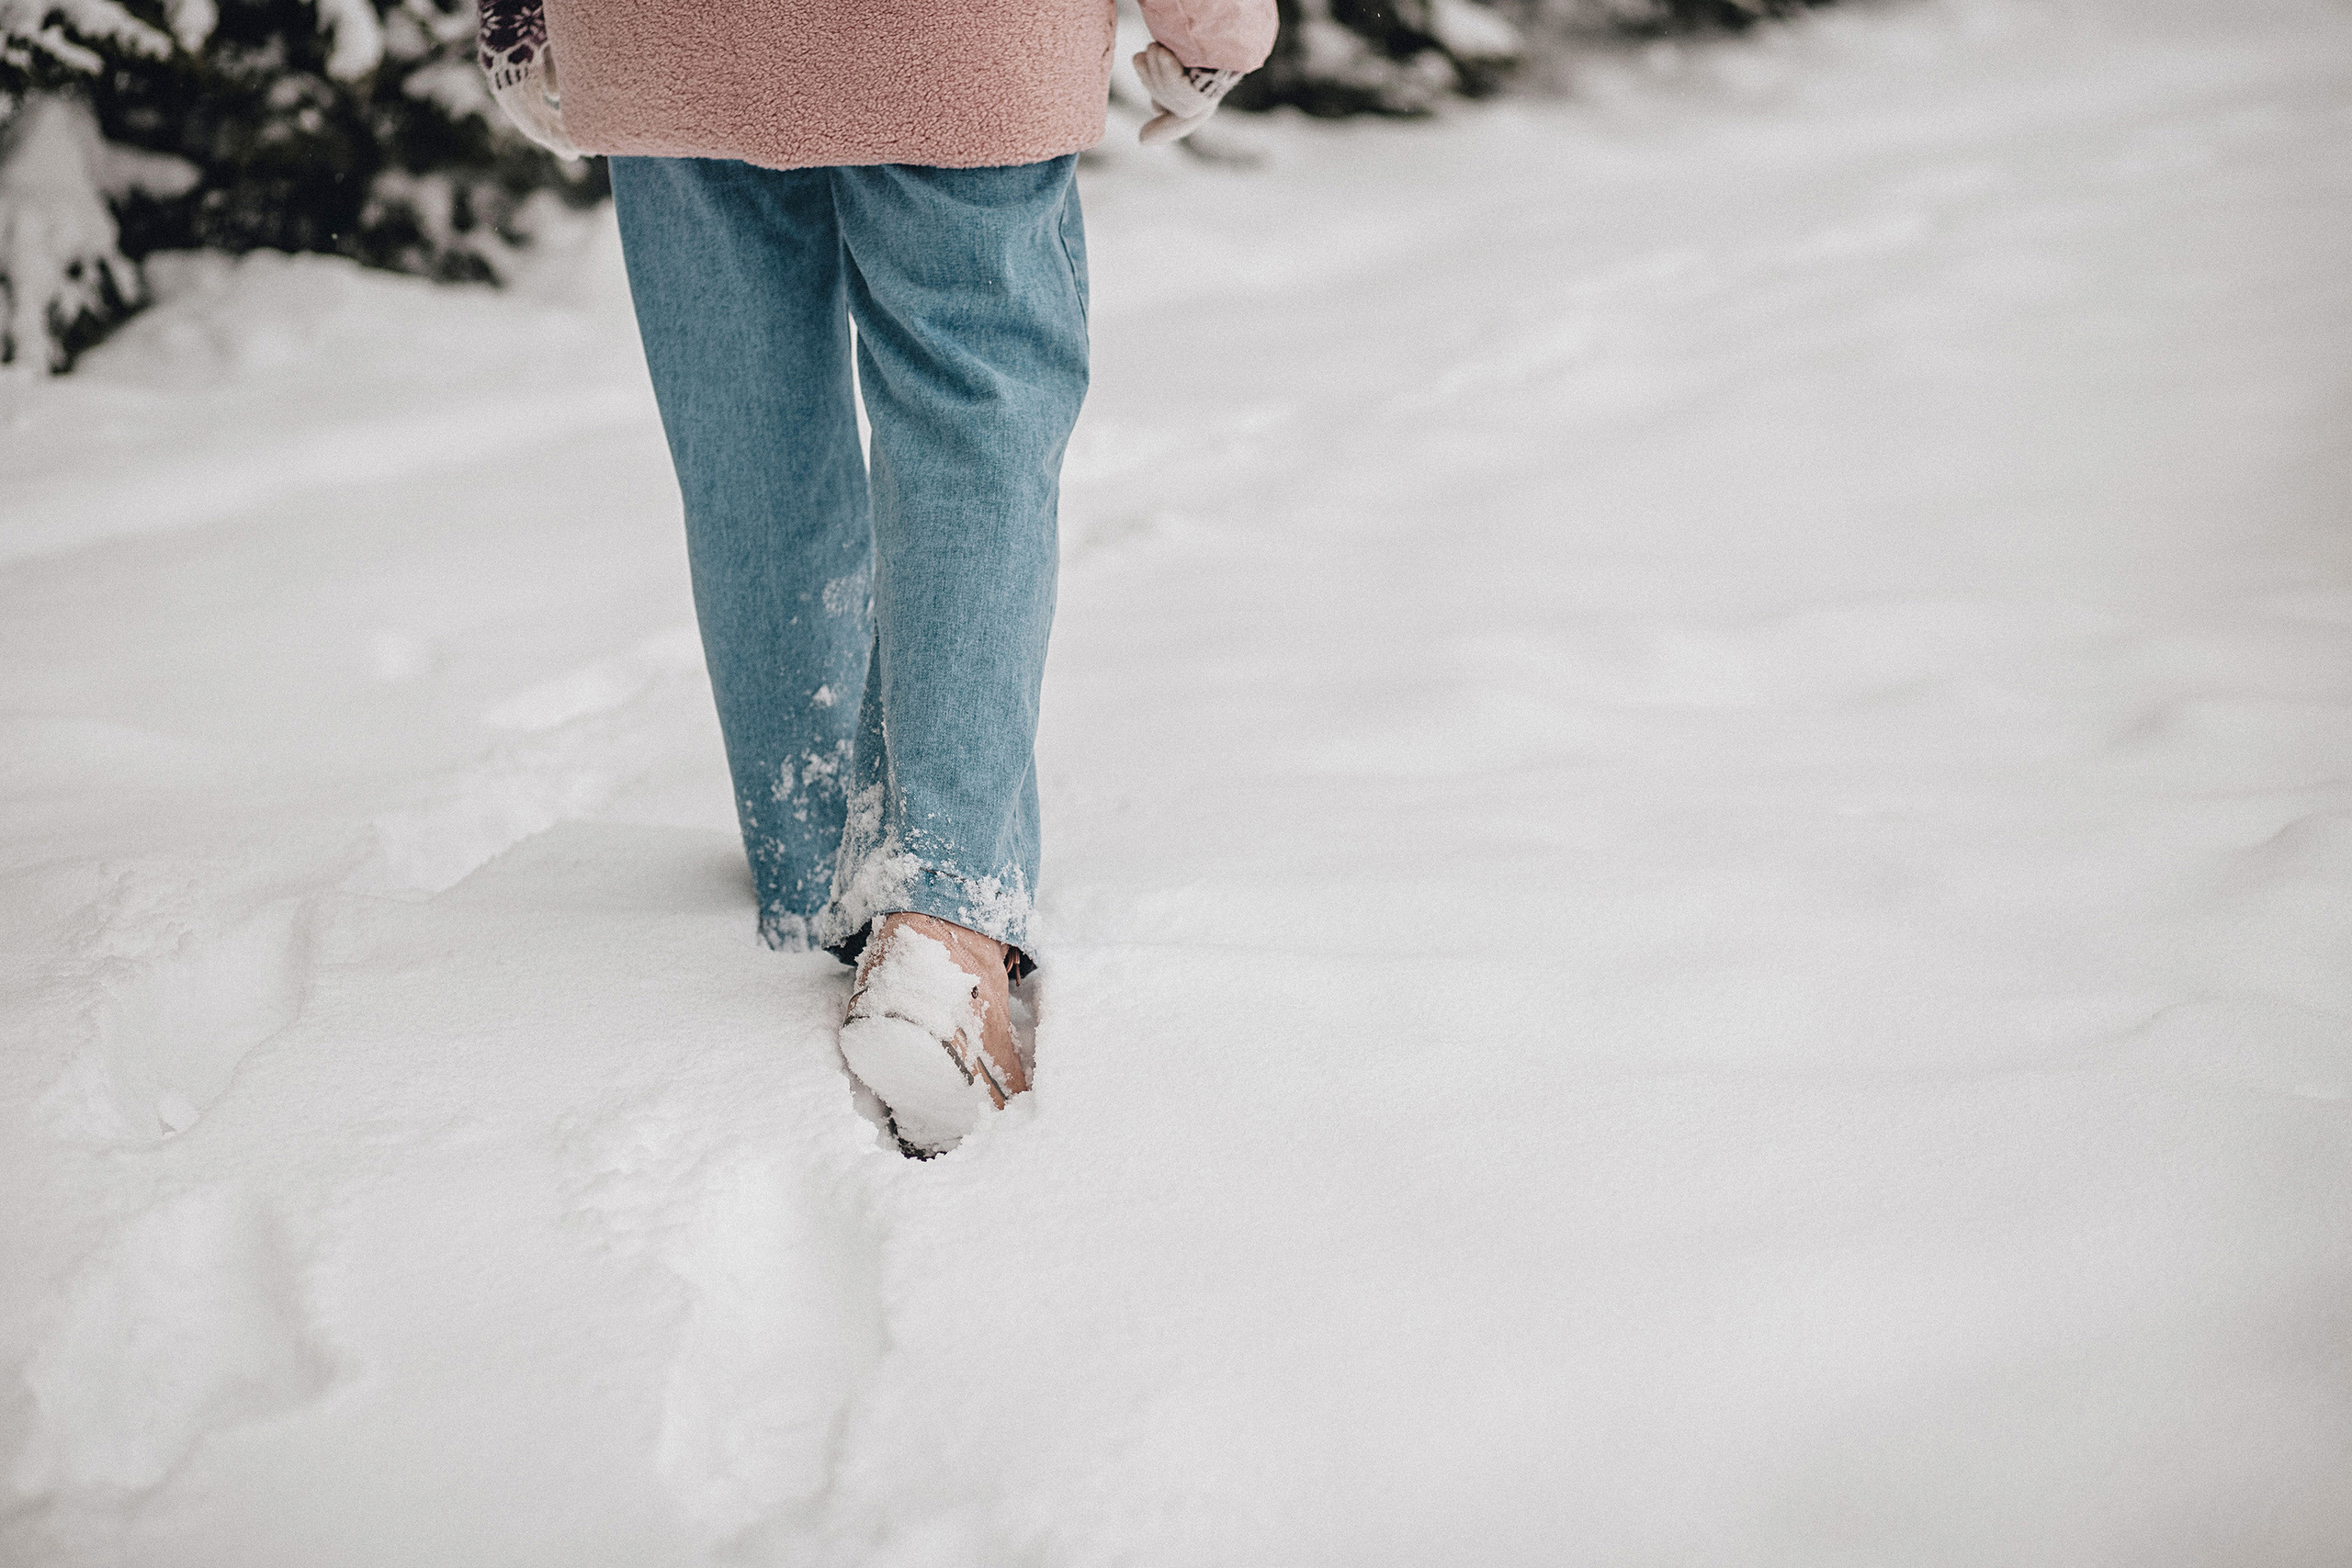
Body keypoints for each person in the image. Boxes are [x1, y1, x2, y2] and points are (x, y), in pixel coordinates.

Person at [478, 0, 1275, 1156]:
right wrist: (1213, 24)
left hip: (662, 29)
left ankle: (813, 876)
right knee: (971, 411)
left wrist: (518, 15)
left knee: (747, 439)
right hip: (952, 33)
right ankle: (942, 919)